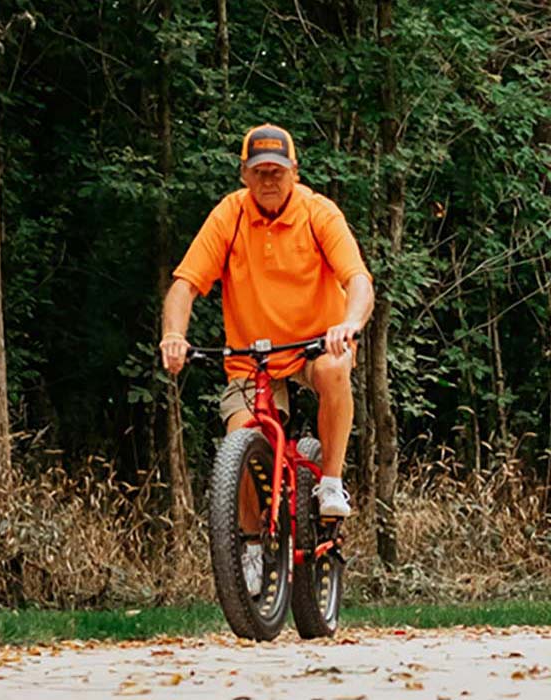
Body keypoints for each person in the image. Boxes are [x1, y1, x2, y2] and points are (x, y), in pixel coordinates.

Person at [158, 124, 374, 593]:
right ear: (244, 175)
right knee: (241, 437)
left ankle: (331, 482)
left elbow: (358, 280)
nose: (269, 181)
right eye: (260, 172)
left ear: (295, 172)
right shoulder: (229, 217)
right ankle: (254, 546)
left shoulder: (319, 213)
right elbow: (185, 284)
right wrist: (173, 335)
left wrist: (348, 325)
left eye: (278, 171)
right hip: (253, 357)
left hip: (317, 345)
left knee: (336, 369)